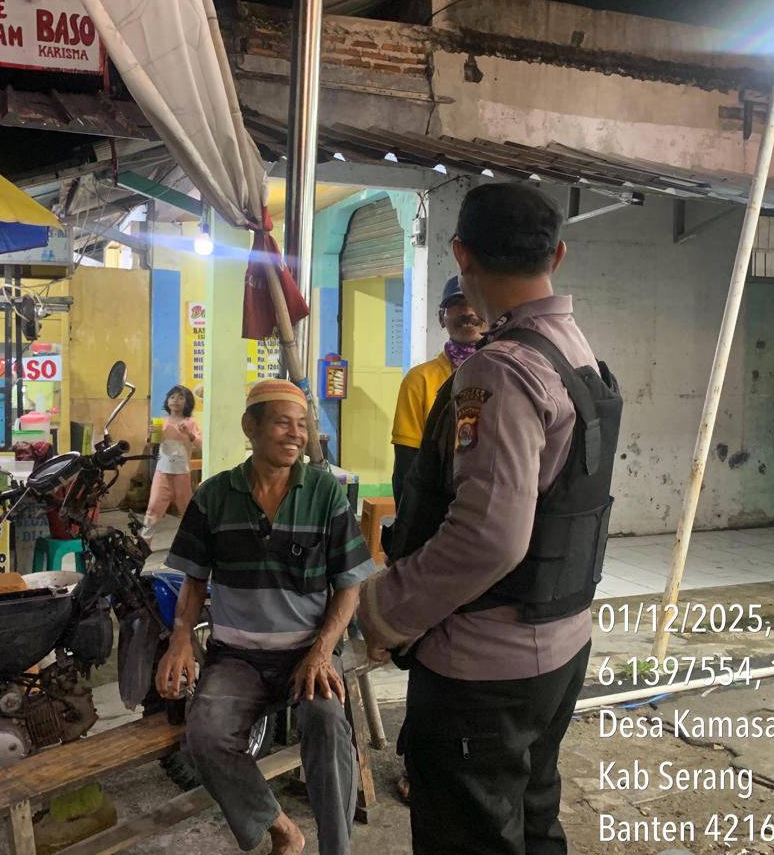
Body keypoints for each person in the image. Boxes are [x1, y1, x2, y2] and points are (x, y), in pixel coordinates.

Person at [357, 183, 621, 855]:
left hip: (485, 667)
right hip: (561, 642)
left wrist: (386, 609)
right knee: (532, 820)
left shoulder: (499, 371)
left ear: (461, 254)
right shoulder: (576, 352)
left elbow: (487, 538)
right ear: (556, 256)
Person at [156, 379, 378, 855]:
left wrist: (322, 652)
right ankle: (281, 828)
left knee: (328, 726)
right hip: (237, 658)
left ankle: (336, 850)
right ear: (249, 427)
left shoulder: (325, 493)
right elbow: (193, 580)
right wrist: (180, 640)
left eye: (303, 425)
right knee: (205, 737)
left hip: (307, 654)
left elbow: (350, 585)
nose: (296, 435)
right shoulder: (213, 496)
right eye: (283, 423)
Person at [390, 276, 485, 506]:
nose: (468, 312)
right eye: (457, 305)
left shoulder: (505, 375)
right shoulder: (419, 380)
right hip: (437, 508)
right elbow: (406, 464)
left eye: (475, 303)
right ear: (442, 318)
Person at [145, 384, 202, 531]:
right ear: (167, 401)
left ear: (187, 402)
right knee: (153, 508)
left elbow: (200, 444)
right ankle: (144, 542)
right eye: (172, 397)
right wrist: (151, 434)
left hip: (182, 473)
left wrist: (188, 434)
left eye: (181, 397)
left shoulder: (190, 423)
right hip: (162, 472)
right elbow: (151, 445)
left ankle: (193, 539)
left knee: (187, 510)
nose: (175, 400)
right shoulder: (161, 423)